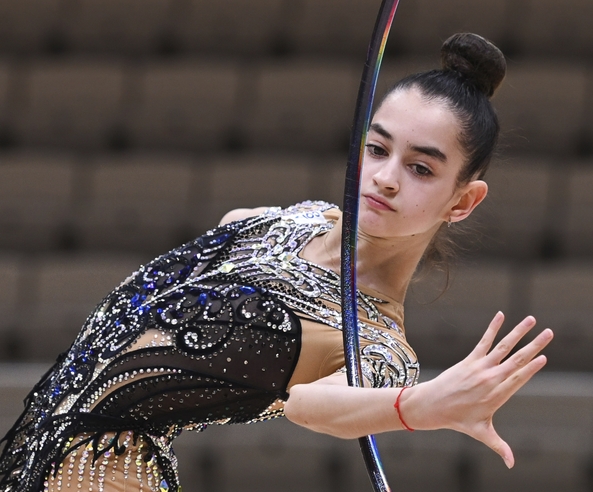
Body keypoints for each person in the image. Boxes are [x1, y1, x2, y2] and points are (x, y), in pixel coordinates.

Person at [0, 33, 553, 492]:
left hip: (103, 476)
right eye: (377, 149)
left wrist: (420, 405)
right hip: (24, 452)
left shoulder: (379, 344)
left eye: (422, 169)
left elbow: (310, 406)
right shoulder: (282, 220)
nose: (385, 177)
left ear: (463, 201)